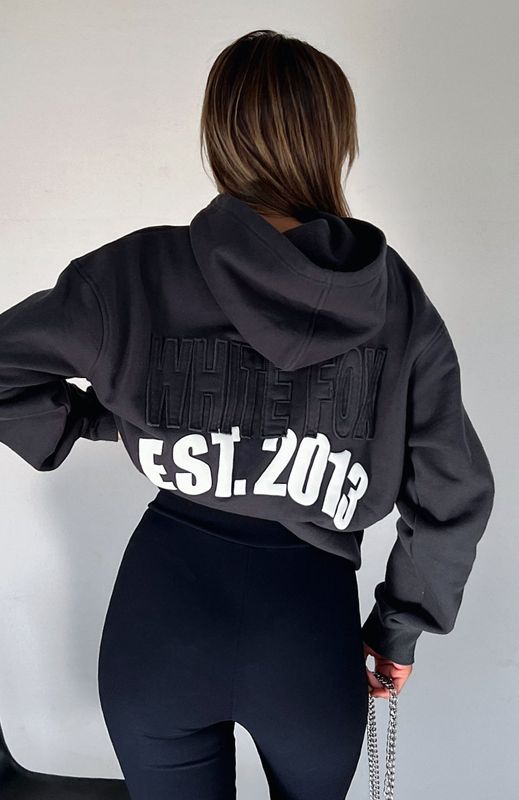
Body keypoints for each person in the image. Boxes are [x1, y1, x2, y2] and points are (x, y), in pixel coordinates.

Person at [0, 28, 495, 800]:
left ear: (218, 135)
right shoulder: (394, 301)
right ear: (335, 141)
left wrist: (110, 420)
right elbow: (452, 493)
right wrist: (397, 629)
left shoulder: (136, 271)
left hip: (158, 623)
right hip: (307, 642)